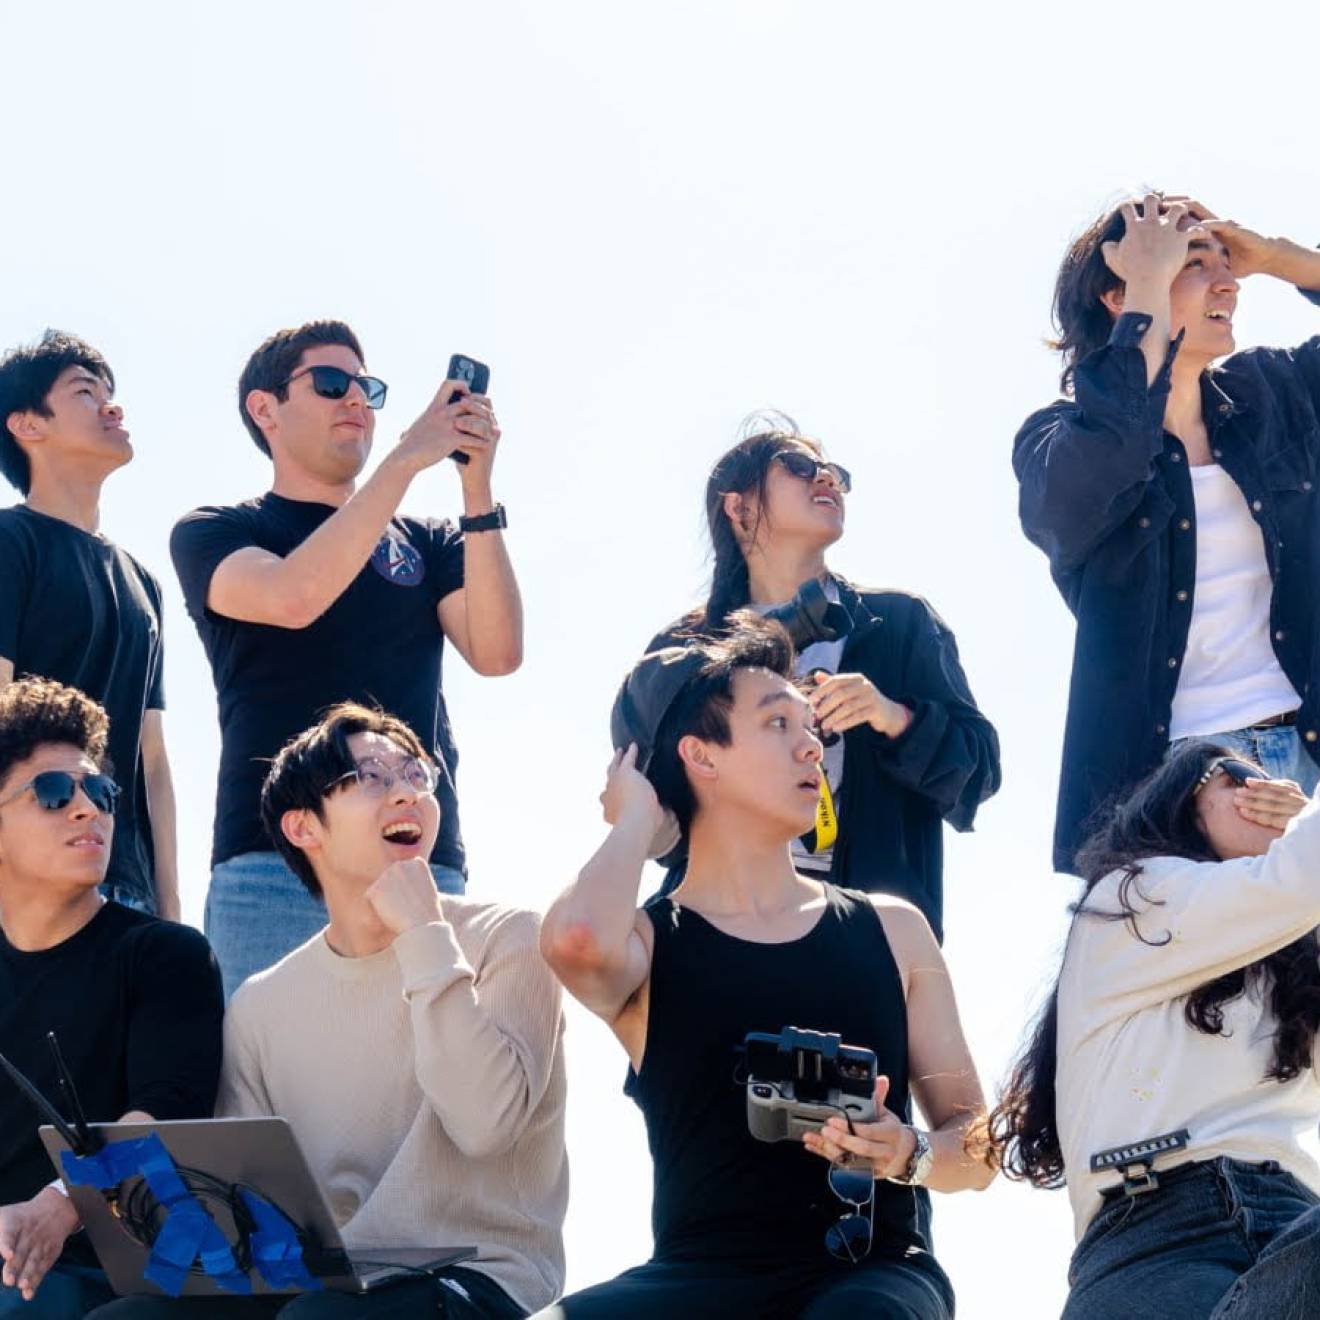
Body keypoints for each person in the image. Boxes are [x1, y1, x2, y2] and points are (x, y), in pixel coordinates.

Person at [537, 618, 991, 1319]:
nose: (814, 743)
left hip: (870, 1279)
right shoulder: (649, 945)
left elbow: (978, 1142)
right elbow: (573, 943)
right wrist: (633, 822)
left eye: (810, 725)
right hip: (697, 1279)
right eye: (779, 723)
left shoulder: (894, 930)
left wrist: (909, 1152)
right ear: (700, 755)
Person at [89, 702, 567, 1320]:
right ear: (303, 828)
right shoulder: (262, 1004)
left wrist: (424, 932)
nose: (406, 794)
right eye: (371, 777)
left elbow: (483, 1126)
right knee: (125, 1319)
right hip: (328, 1282)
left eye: (416, 774)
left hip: (480, 1276)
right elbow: (249, 1204)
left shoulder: (511, 938)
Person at [170, 320, 522, 997]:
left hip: (414, 859)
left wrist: (476, 491)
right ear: (264, 409)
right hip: (272, 863)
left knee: (427, 1089)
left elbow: (499, 653)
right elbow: (294, 596)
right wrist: (404, 461)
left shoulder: (430, 540)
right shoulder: (217, 529)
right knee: (273, 1095)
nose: (357, 401)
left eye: (368, 387)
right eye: (333, 383)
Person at [1013, 193, 1320, 874]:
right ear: (1118, 295)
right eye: (1193, 263)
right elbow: (1118, 442)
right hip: (1165, 788)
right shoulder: (1057, 445)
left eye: (1226, 263)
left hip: (1308, 762)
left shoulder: (1279, 394)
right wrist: (1149, 287)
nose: (1228, 282)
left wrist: (1274, 255)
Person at [988, 742, 1320, 1316]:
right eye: (1238, 777)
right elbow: (1293, 879)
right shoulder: (1132, 895)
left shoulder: (1292, 964)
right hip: (1156, 1236)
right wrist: (1303, 824)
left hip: (1293, 1225)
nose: (1266, 793)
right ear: (1183, 802)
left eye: (1275, 783)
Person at [644, 419, 1000, 941]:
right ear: (738, 509)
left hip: (866, 932)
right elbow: (649, 798)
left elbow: (980, 773)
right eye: (798, 466)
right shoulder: (687, 647)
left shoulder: (899, 622)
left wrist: (891, 716)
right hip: (713, 925)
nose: (826, 479)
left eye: (834, 471)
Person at [0, 678, 222, 1320]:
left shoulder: (166, 956)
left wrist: (62, 1200)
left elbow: (167, 1112)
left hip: (109, 1271)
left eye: (100, 792)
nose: (86, 809)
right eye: (51, 793)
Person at [0, 331, 177, 915]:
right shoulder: (10, 543)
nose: (111, 405)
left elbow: (151, 758)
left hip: (126, 891)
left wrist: (170, 905)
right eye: (84, 391)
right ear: (27, 425)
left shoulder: (143, 581)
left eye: (111, 392)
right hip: (26, 892)